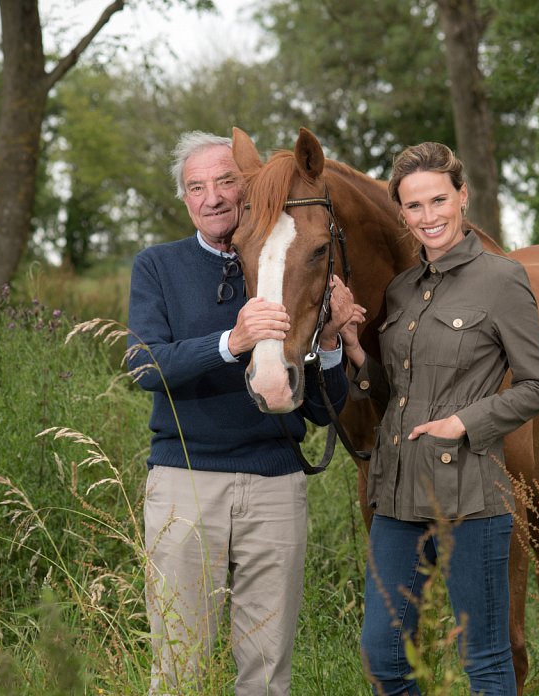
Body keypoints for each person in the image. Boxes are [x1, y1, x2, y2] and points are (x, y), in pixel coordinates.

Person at [127, 131, 360, 695]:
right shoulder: (158, 266)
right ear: (185, 199)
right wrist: (231, 341)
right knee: (178, 667)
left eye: (226, 181)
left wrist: (329, 344)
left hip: (276, 486)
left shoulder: (285, 256)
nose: (213, 198)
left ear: (248, 186)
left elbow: (326, 413)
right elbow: (143, 366)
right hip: (186, 481)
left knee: (267, 669)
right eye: (196, 187)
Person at [340, 142, 539, 695]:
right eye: (414, 207)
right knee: (383, 657)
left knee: (483, 660)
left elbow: (538, 387)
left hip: (471, 501)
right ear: (401, 213)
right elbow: (396, 391)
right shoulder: (402, 290)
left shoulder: (502, 280)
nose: (428, 217)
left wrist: (465, 423)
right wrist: (356, 350)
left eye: (439, 200)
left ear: (463, 198)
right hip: (395, 499)